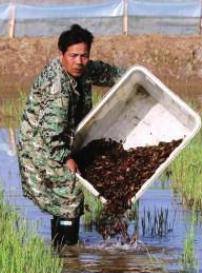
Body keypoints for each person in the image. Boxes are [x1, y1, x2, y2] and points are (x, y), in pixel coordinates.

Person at [17, 24, 125, 246]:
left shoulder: (83, 69)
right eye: (73, 55)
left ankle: (63, 251)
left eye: (84, 56)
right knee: (69, 196)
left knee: (67, 195)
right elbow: (51, 135)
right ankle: (66, 256)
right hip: (41, 147)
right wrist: (67, 158)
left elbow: (109, 73)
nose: (79, 61)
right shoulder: (58, 88)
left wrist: (135, 78)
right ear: (62, 55)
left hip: (62, 140)